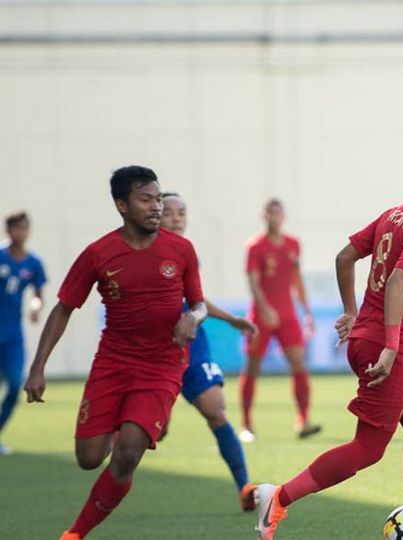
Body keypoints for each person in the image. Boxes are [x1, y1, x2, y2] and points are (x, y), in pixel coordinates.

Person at [254, 156, 403, 540]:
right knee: (368, 447)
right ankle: (279, 497)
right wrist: (392, 346)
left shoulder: (398, 213)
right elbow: (400, 280)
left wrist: (352, 311)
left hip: (366, 339)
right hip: (383, 348)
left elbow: (344, 256)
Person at [24, 166, 207, 540]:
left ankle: (74, 533)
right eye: (146, 200)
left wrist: (193, 316)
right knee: (89, 459)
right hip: (113, 363)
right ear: (122, 205)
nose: (157, 207)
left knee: (125, 455)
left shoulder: (182, 249)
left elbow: (200, 304)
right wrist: (38, 368)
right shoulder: (98, 254)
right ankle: (136, 421)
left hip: (163, 365)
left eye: (158, 199)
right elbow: (62, 309)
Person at [160, 191, 259, 511]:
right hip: (155, 352)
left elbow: (196, 301)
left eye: (182, 212)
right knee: (152, 434)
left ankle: (244, 486)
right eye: (168, 212)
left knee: (215, 410)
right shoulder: (140, 254)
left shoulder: (187, 253)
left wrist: (231, 320)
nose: (176, 218)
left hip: (192, 348)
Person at [240, 198, 320, 441]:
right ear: (263, 216)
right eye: (269, 213)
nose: (274, 217)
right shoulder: (256, 246)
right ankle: (246, 424)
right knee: (253, 368)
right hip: (261, 317)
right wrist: (264, 309)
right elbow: (253, 282)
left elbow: (297, 280)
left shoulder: (293, 244)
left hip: (287, 316)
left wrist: (306, 312)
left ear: (283, 216)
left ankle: (303, 420)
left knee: (299, 364)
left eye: (278, 213)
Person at [0, 211, 46, 454]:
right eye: (18, 229)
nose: (22, 233)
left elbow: (38, 296)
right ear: (9, 231)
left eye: (26, 228)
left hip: (13, 336)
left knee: (16, 384)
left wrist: (35, 308)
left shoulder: (33, 263)